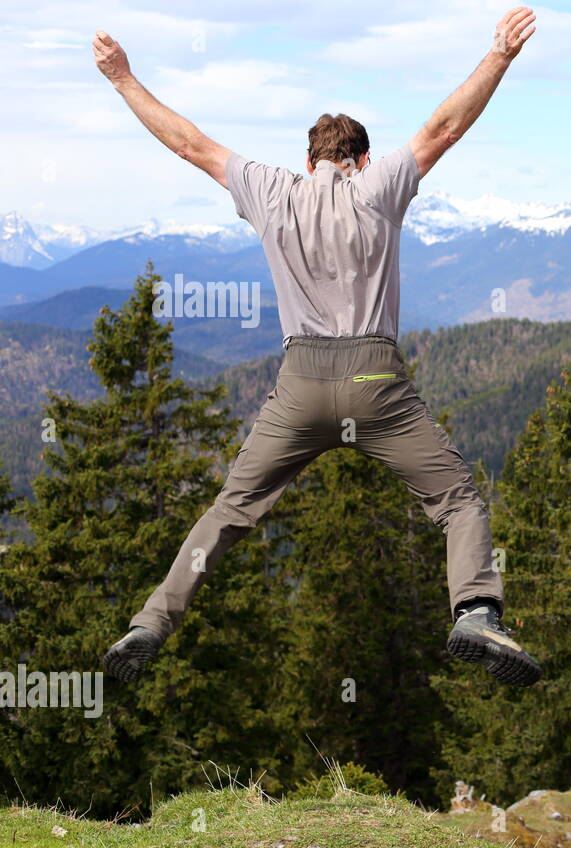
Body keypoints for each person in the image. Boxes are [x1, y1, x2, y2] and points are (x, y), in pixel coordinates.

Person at [92, 8, 541, 687]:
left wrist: (123, 78)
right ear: (360, 160)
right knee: (455, 498)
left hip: (299, 387)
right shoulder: (381, 185)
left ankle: (152, 621)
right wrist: (500, 58)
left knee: (230, 511)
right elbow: (445, 126)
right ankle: (476, 612)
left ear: (309, 162)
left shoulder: (270, 190)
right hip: (374, 386)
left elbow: (188, 143)